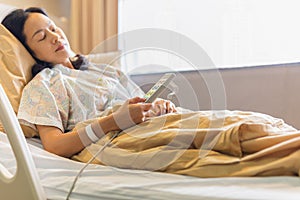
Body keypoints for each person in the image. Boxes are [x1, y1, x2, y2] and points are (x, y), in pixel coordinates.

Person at [2, 7, 177, 158]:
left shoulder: (105, 71)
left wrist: (157, 107)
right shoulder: (43, 85)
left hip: (154, 126)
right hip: (120, 140)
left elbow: (139, 104)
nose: (55, 37)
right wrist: (113, 122)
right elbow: (54, 145)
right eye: (41, 37)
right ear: (29, 52)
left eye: (53, 28)